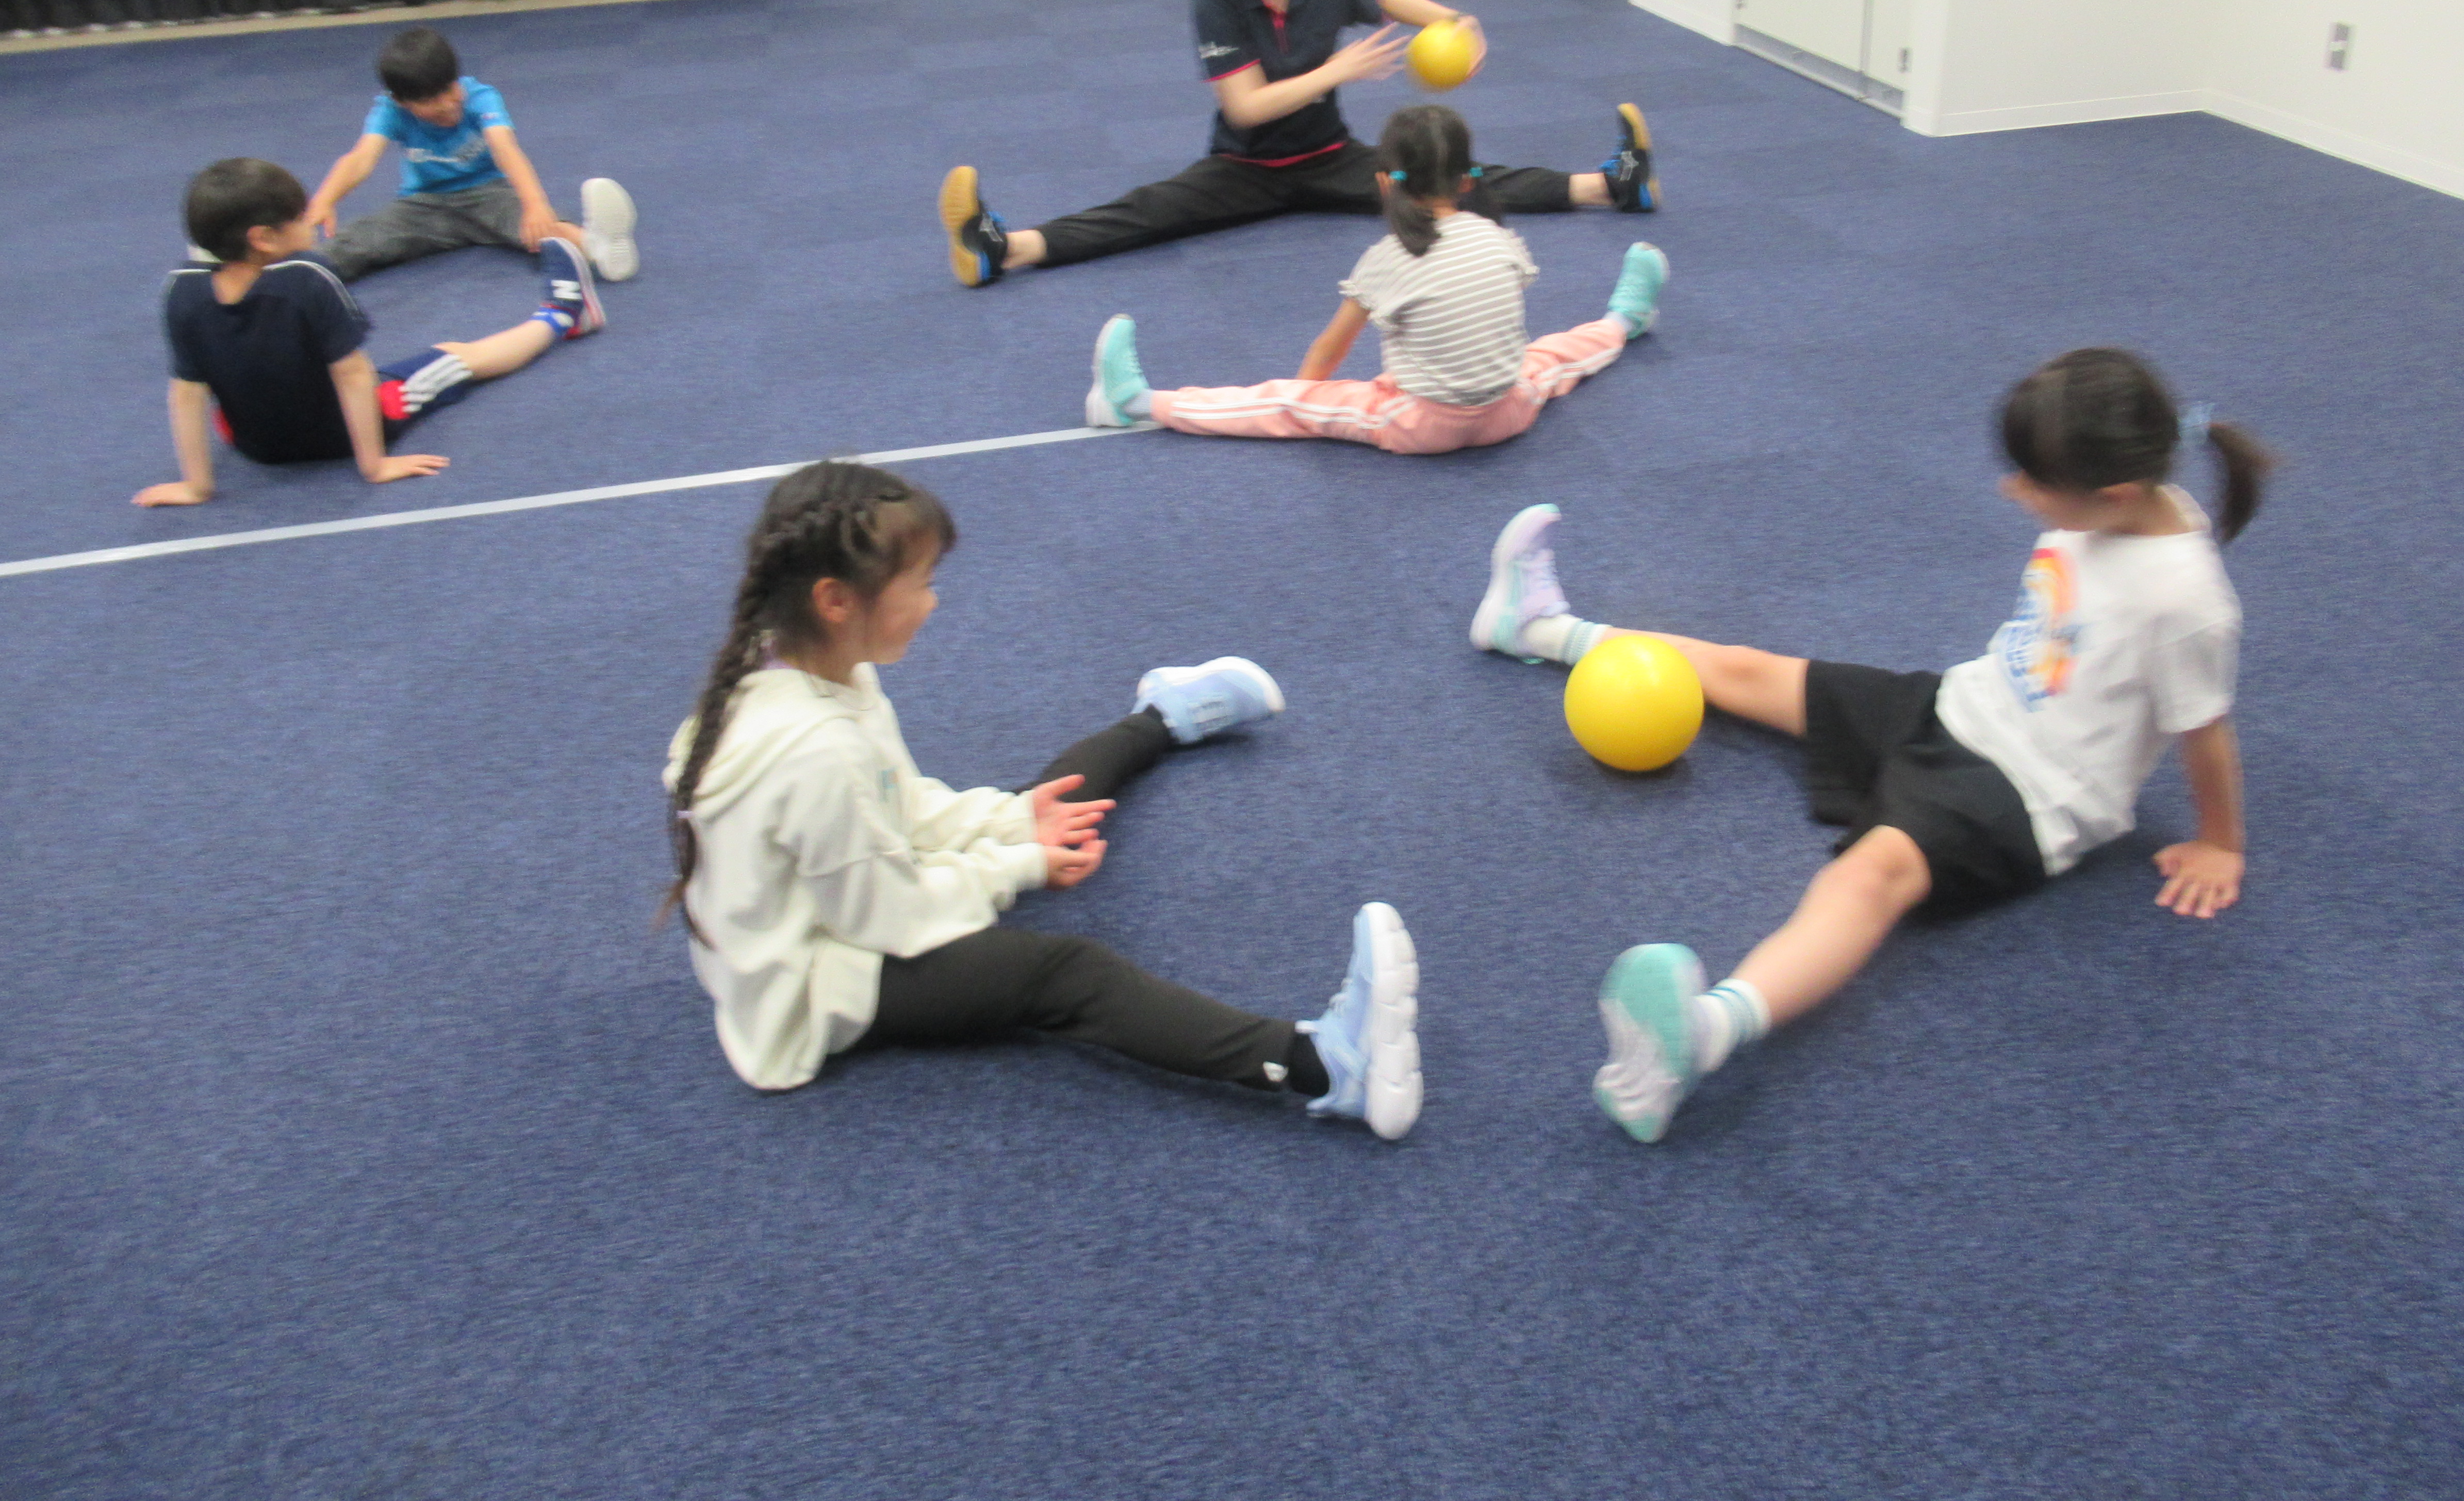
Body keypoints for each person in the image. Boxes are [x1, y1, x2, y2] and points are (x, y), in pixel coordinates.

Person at [1467, 348, 2273, 1143]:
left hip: (2029, 794)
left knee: (1869, 877)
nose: (2013, 491)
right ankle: (1537, 628)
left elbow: (2205, 731)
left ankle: (1701, 1037)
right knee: (1749, 671)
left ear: (2115, 495)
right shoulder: (2111, 506)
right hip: (1959, 705)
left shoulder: (2185, 603)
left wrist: (2220, 843)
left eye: (2033, 482)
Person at [661, 460, 1423, 1138]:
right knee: (1064, 975)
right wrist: (1021, 864)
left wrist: (1014, 823)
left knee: (1044, 803)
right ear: (835, 601)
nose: (932, 602)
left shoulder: (813, 668)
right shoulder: (816, 752)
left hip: (844, 901)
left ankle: (1163, 716)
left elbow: (902, 807)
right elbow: (891, 918)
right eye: (919, 583)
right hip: (814, 986)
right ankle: (1327, 1066)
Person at [935, 0, 1656, 286]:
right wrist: (1337, 69)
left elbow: (1384, 0)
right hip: (1245, 168)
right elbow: (1246, 109)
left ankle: (1611, 185)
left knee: (1451, 181)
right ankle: (1003, 247)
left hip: (1333, 160)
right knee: (1149, 211)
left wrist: (1456, 21)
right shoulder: (1216, 4)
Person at [1082, 104, 1668, 455]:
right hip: (1509, 414)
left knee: (1281, 403)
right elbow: (1493, 322)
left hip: (1422, 425)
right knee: (1553, 358)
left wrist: (1304, 399)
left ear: (1385, 184)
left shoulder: (1388, 256)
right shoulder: (1499, 237)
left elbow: (1330, 349)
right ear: (1469, 180)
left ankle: (1136, 403)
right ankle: (1624, 320)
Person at [135, 156, 602, 507]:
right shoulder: (307, 278)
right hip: (337, 436)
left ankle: (561, 314)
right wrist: (374, 465)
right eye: (300, 217)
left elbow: (187, 392)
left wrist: (197, 486)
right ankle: (564, 314)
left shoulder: (181, 290)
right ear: (263, 238)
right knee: (456, 356)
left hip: (256, 446)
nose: (311, 220)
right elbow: (354, 375)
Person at [304, 24, 640, 283]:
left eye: (449, 89)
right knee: (366, 237)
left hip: (489, 195)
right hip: (424, 205)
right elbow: (361, 159)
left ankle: (599, 246)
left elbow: (506, 150)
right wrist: (325, 199)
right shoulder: (389, 111)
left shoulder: (481, 98)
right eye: (430, 100)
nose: (447, 105)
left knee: (541, 229)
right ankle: (302, 274)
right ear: (401, 102)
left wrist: (535, 204)